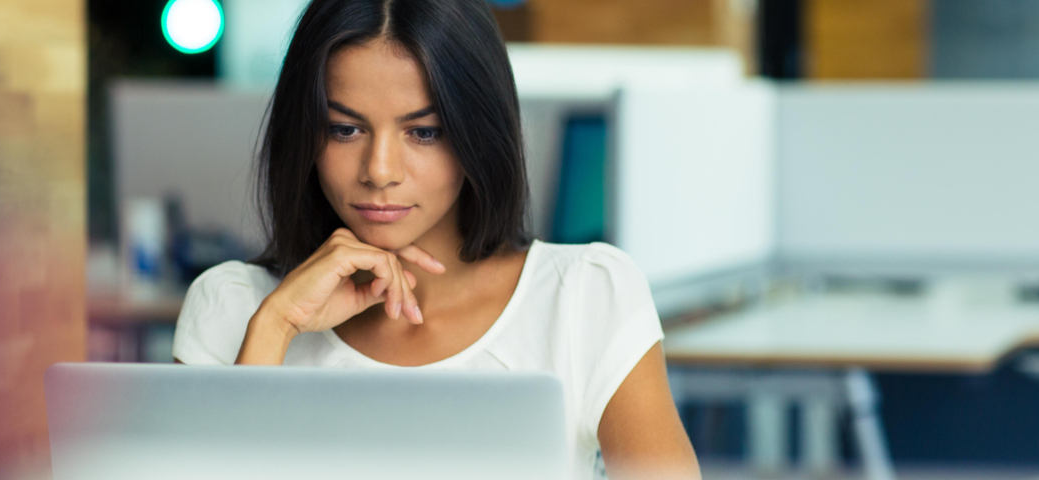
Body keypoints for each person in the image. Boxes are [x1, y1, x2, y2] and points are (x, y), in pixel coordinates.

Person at [171, 0, 700, 478]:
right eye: (344, 129)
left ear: (478, 133)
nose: (379, 171)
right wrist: (275, 328)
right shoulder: (233, 308)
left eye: (423, 132)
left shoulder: (586, 297)